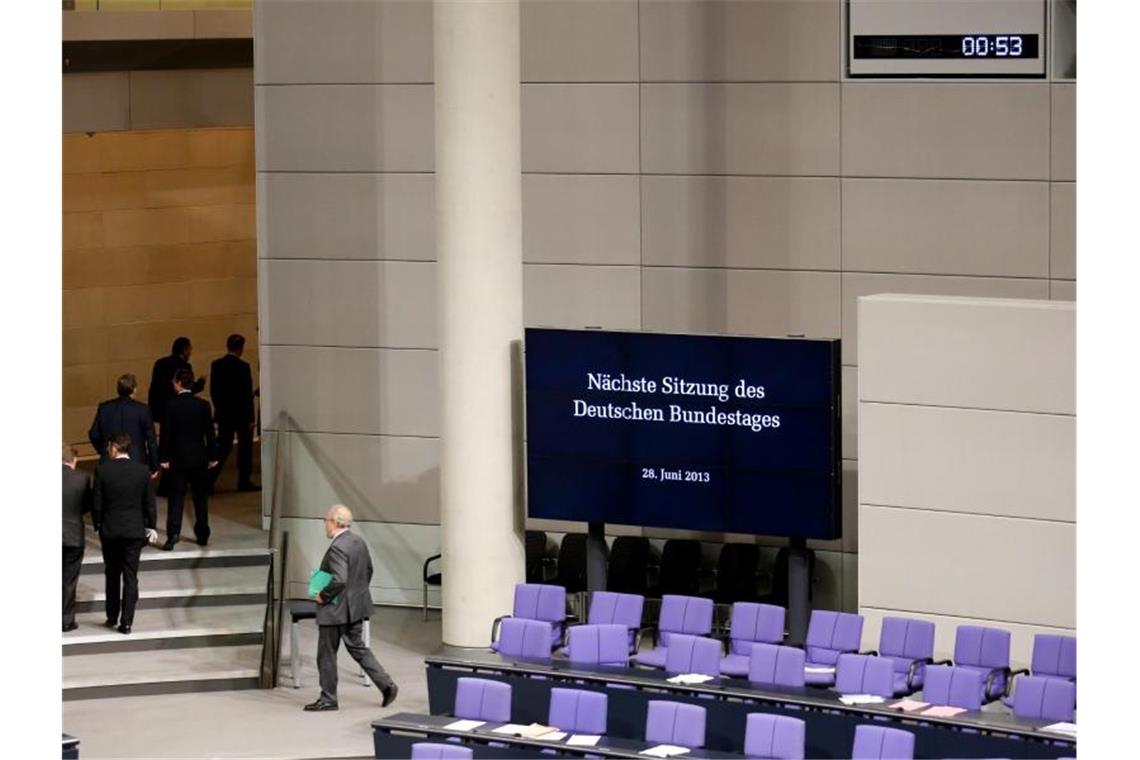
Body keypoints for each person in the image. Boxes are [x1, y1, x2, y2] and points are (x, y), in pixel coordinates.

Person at [305, 504, 398, 712]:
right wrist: (356, 595)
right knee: (358, 648)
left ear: (335, 523)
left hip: (335, 609)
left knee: (326, 654)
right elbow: (368, 570)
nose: (324, 525)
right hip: (356, 607)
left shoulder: (338, 547)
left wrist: (323, 595)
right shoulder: (358, 542)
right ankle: (386, 685)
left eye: (326, 520)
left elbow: (339, 579)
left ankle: (328, 698)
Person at [92, 432, 157, 635]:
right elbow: (149, 503)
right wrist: (151, 526)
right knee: (131, 576)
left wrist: (98, 524)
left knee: (112, 573)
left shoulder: (102, 471)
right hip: (134, 531)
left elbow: (97, 503)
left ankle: (112, 615)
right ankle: (126, 622)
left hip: (110, 531)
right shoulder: (142, 471)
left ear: (113, 447)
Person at [159, 368, 217, 550]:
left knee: (176, 498)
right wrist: (212, 455)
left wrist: (164, 457)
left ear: (178, 383)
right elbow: (210, 433)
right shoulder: (203, 405)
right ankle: (202, 534)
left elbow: (165, 434)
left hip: (178, 459)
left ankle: (173, 534)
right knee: (200, 498)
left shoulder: (171, 405)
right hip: (199, 457)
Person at [209, 334, 259, 492]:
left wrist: (219, 409)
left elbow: (214, 391)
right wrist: (250, 417)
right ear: (240, 348)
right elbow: (245, 394)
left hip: (224, 414)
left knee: (222, 447)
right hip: (241, 415)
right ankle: (243, 481)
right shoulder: (243, 366)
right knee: (245, 449)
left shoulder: (216, 364)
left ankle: (209, 479)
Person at [88, 373, 159, 473]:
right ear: (134, 389)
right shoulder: (143, 410)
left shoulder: (104, 408)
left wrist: (105, 450)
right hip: (137, 461)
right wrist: (154, 466)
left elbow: (94, 434)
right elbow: (151, 441)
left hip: (109, 460)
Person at [63, 445, 92, 632]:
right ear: (73, 460)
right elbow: (87, 505)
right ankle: (66, 620)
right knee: (69, 579)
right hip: (73, 535)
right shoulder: (83, 478)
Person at [147, 337, 205, 426]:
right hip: (180, 410)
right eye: (189, 350)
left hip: (163, 411)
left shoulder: (160, 363)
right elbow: (189, 388)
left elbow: (154, 389)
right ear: (184, 350)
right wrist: (201, 383)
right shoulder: (185, 366)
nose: (190, 353)